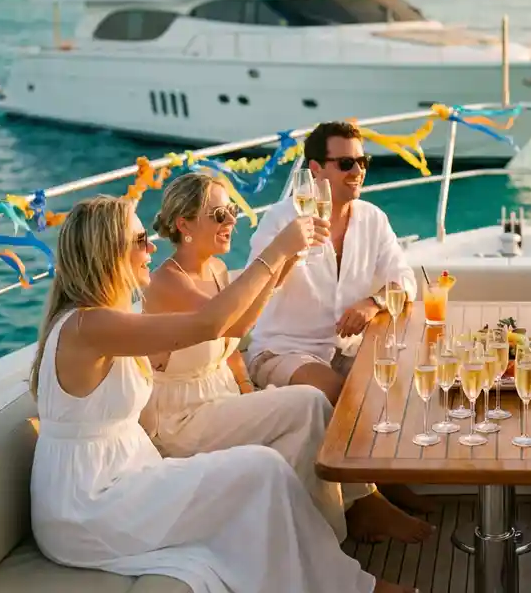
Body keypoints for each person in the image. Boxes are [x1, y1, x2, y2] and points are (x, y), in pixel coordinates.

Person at [28, 195, 413, 593]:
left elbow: (230, 325)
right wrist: (276, 249)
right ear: (107, 252)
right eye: (140, 239)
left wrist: (282, 265)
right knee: (261, 469)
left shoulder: (110, 319)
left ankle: (332, 574)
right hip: (87, 505)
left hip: (124, 476)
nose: (151, 247)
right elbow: (211, 324)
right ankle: (353, 588)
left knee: (267, 466)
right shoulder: (91, 326)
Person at [143, 173, 432, 544]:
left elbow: (242, 327)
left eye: (231, 211)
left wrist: (289, 262)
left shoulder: (214, 270)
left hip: (220, 400)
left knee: (309, 412)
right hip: (181, 420)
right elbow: (222, 326)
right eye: (219, 214)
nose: (232, 220)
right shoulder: (167, 283)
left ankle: (329, 522)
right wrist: (277, 251)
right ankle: (344, 523)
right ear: (184, 224)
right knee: (310, 402)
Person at [245, 120, 425, 513]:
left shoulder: (372, 219)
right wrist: (290, 252)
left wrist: (373, 303)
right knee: (343, 394)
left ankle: (388, 481)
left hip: (347, 347)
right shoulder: (282, 220)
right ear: (316, 170)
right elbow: (255, 289)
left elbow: (405, 280)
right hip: (282, 350)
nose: (357, 171)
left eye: (362, 162)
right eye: (345, 163)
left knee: (402, 378)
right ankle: (367, 505)